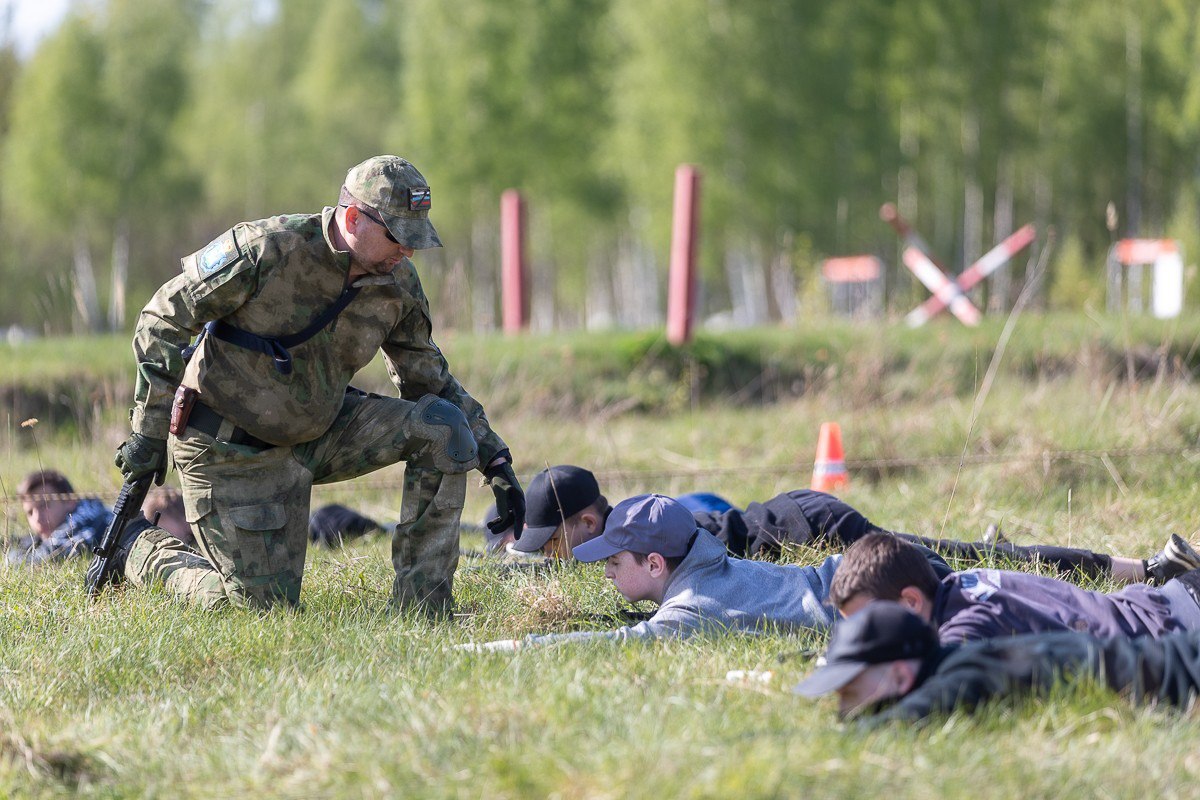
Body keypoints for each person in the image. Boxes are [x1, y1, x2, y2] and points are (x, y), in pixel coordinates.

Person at [103, 155, 525, 613]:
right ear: (352, 218)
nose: (407, 252)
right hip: (230, 448)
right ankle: (142, 551)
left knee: (443, 428)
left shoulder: (396, 283)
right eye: (398, 238)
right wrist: (148, 432)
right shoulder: (267, 248)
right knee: (258, 613)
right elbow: (161, 320)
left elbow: (429, 380)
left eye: (415, 241)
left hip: (319, 431)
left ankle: (423, 608)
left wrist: (493, 456)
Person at [506, 465, 1191, 585]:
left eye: (557, 541)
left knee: (958, 565)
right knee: (954, 560)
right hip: (802, 516)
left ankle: (1146, 570)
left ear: (587, 519)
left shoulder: (642, 527)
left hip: (816, 529)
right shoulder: (622, 534)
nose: (555, 556)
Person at [459, 493, 949, 651]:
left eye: (612, 562)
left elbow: (616, 644)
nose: (606, 573)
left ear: (655, 563)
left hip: (894, 598)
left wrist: (499, 647)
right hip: (880, 572)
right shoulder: (711, 557)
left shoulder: (696, 608)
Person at [794, 600, 1200, 724]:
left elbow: (891, 727)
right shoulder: (960, 660)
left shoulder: (971, 674)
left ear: (901, 676)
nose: (842, 707)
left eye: (849, 689)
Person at [828, 532, 1200, 644]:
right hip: (1168, 599)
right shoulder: (965, 581)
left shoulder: (963, 626)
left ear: (910, 602)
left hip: (1178, 627)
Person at [8, 470, 113, 566]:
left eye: (44, 505)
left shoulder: (84, 524)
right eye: (30, 512)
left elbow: (38, 560)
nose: (37, 518)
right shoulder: (90, 509)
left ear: (70, 500)